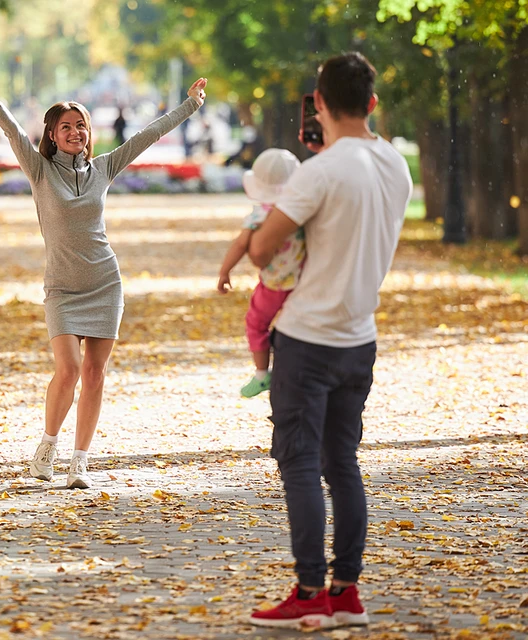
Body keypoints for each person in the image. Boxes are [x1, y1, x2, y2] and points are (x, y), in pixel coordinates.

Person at [0, 59, 207, 489]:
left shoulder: (102, 169)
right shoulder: (38, 169)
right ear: (51, 134)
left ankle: (80, 461)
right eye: (66, 126)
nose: (75, 132)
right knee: (68, 370)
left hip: (104, 282)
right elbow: (9, 129)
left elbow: (147, 136)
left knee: (95, 374)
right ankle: (47, 447)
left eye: (81, 126)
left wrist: (190, 105)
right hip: (62, 288)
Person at [244, 52, 412, 629]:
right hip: (359, 339)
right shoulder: (394, 165)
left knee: (298, 462)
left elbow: (264, 249)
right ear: (371, 103)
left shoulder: (317, 172)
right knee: (343, 462)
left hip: (307, 339)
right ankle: (346, 592)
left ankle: (309, 590)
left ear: (318, 103)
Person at [217, 148, 303, 398]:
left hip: (274, 285)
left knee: (255, 323)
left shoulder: (260, 213)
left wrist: (225, 272)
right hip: (302, 281)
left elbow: (241, 244)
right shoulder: (300, 210)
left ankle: (262, 373)